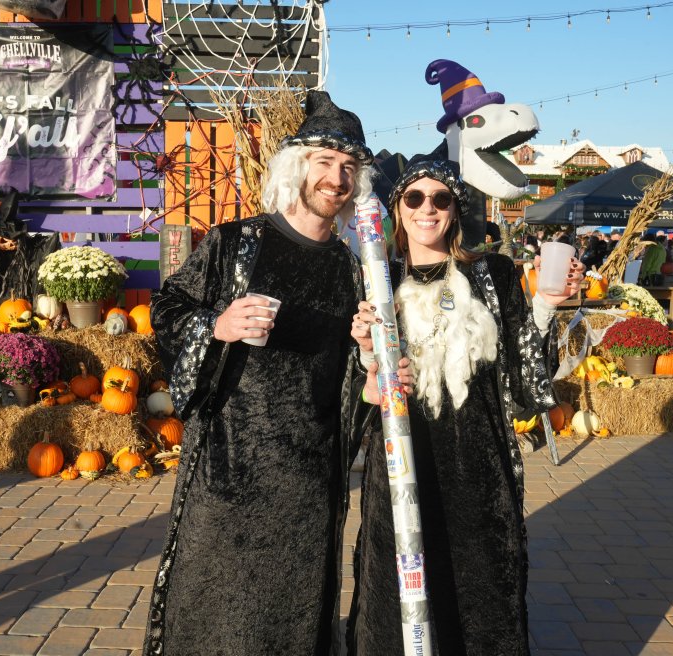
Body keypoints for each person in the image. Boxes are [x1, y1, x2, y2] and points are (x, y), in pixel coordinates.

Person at [143, 91, 411, 656]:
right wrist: (217, 323)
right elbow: (167, 311)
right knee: (211, 613)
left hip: (308, 480)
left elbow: (352, 392)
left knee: (292, 619)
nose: (335, 178)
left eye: (348, 168)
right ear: (298, 167)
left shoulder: (356, 271)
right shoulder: (235, 244)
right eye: (324, 162)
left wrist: (368, 358)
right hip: (226, 467)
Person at [346, 157, 584, 655]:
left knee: (480, 584)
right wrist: (367, 349)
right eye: (414, 198)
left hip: (477, 462)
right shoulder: (375, 277)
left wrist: (545, 303)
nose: (426, 208)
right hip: (402, 460)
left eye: (440, 199)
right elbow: (357, 385)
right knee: (399, 581)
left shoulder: (492, 273)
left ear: (455, 210)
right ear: (398, 207)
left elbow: (523, 371)